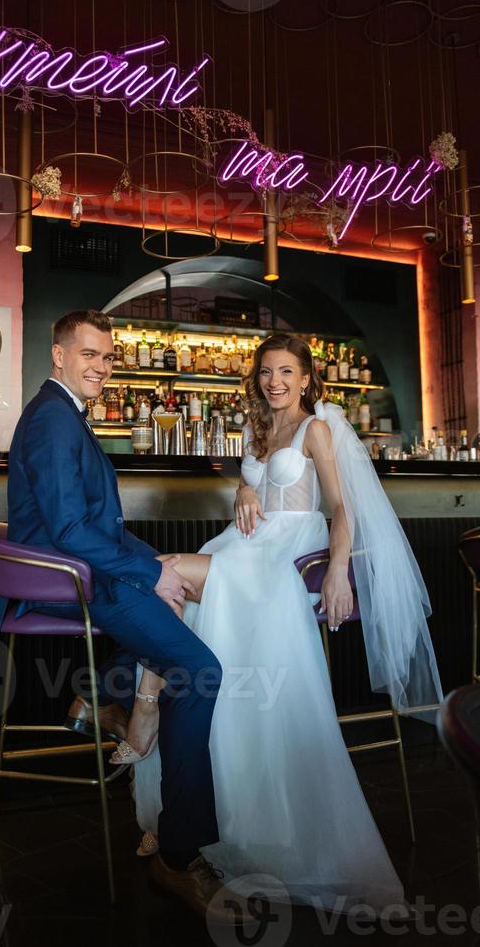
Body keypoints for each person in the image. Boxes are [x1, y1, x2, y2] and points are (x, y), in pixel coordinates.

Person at [129, 332, 443, 914]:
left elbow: (339, 509)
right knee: (165, 577)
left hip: (283, 560)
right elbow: (257, 485)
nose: (275, 381)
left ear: (305, 379)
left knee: (162, 572)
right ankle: (165, 765)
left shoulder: (316, 428)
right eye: (267, 371)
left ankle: (144, 706)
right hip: (244, 548)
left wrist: (339, 572)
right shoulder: (257, 429)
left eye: (286, 372)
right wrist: (243, 489)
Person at [0, 310, 238, 920]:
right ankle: (177, 855)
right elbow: (71, 531)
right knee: (200, 669)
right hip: (68, 582)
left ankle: (100, 697)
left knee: (185, 604)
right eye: (88, 354)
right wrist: (152, 574)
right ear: (60, 355)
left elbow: (97, 528)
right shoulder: (53, 420)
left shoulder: (64, 414)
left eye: (107, 356)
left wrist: (161, 564)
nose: (99, 365)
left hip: (85, 571)